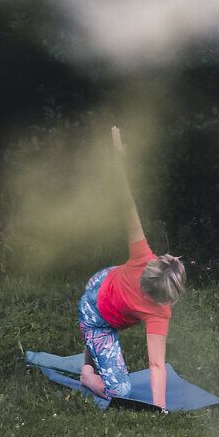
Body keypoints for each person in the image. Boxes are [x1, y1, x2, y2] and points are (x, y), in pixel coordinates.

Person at [75, 127, 185, 409]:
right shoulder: (159, 309)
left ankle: (94, 351)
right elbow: (156, 365)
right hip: (96, 314)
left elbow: (127, 204)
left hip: (101, 280)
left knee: (103, 341)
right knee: (120, 391)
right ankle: (87, 374)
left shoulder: (143, 256)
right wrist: (158, 407)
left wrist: (119, 162)